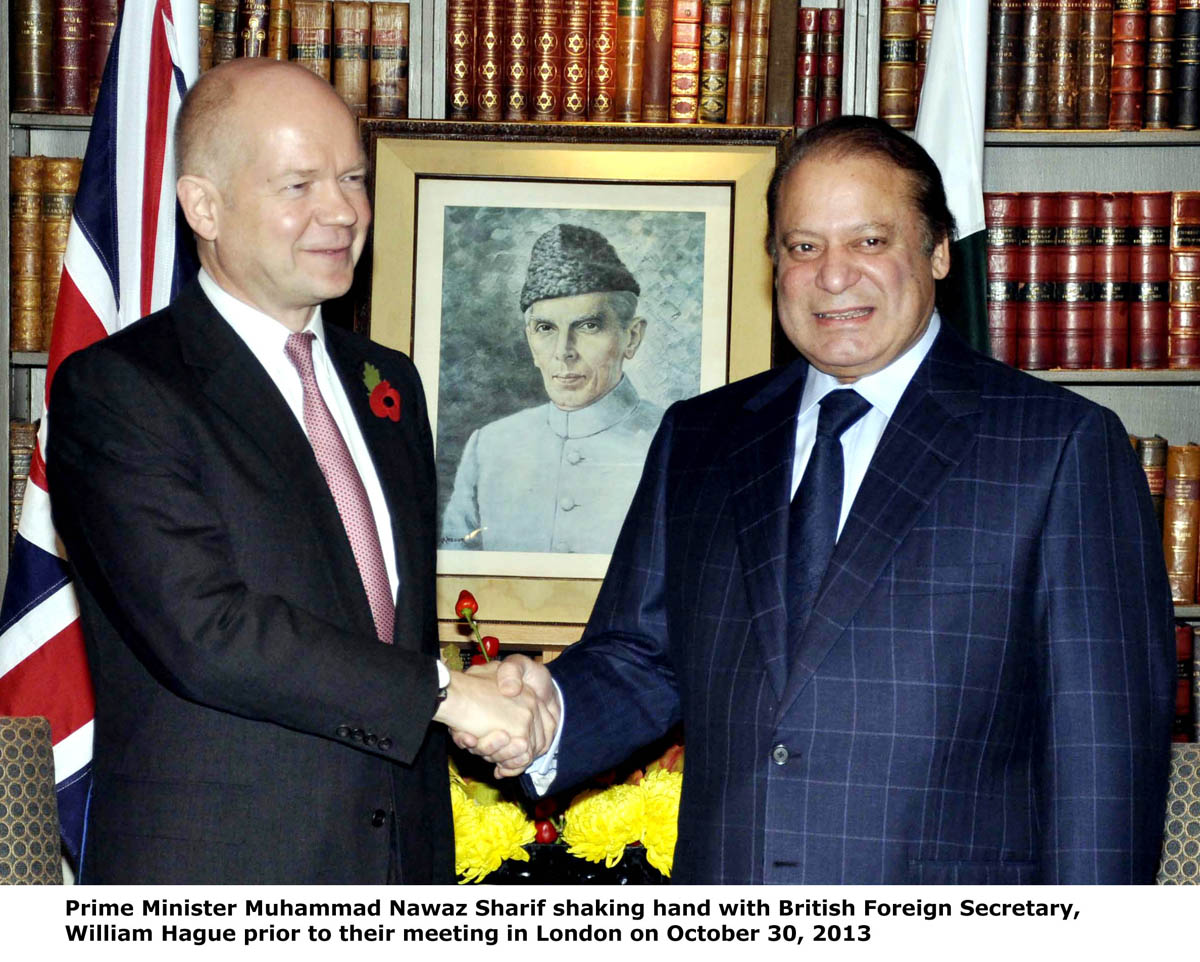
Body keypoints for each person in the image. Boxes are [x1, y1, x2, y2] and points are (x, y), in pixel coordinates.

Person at [468, 115, 1176, 884]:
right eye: (804, 246)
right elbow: (643, 659)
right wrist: (548, 712)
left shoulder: (1058, 447)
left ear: (939, 250)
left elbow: (1103, 761)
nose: (833, 276)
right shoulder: (700, 438)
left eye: (869, 241)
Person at [46, 59, 542, 884]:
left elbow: (382, 627)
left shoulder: (389, 383)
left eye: (351, 177)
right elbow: (207, 632)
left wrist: (490, 690)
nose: (343, 211)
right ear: (203, 204)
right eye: (299, 185)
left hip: (400, 873)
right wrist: (444, 694)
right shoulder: (120, 389)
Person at [441, 224, 663, 554]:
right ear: (530, 341)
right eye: (545, 328)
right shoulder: (488, 447)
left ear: (632, 337)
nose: (563, 351)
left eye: (588, 326)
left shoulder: (675, 442)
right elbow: (455, 581)